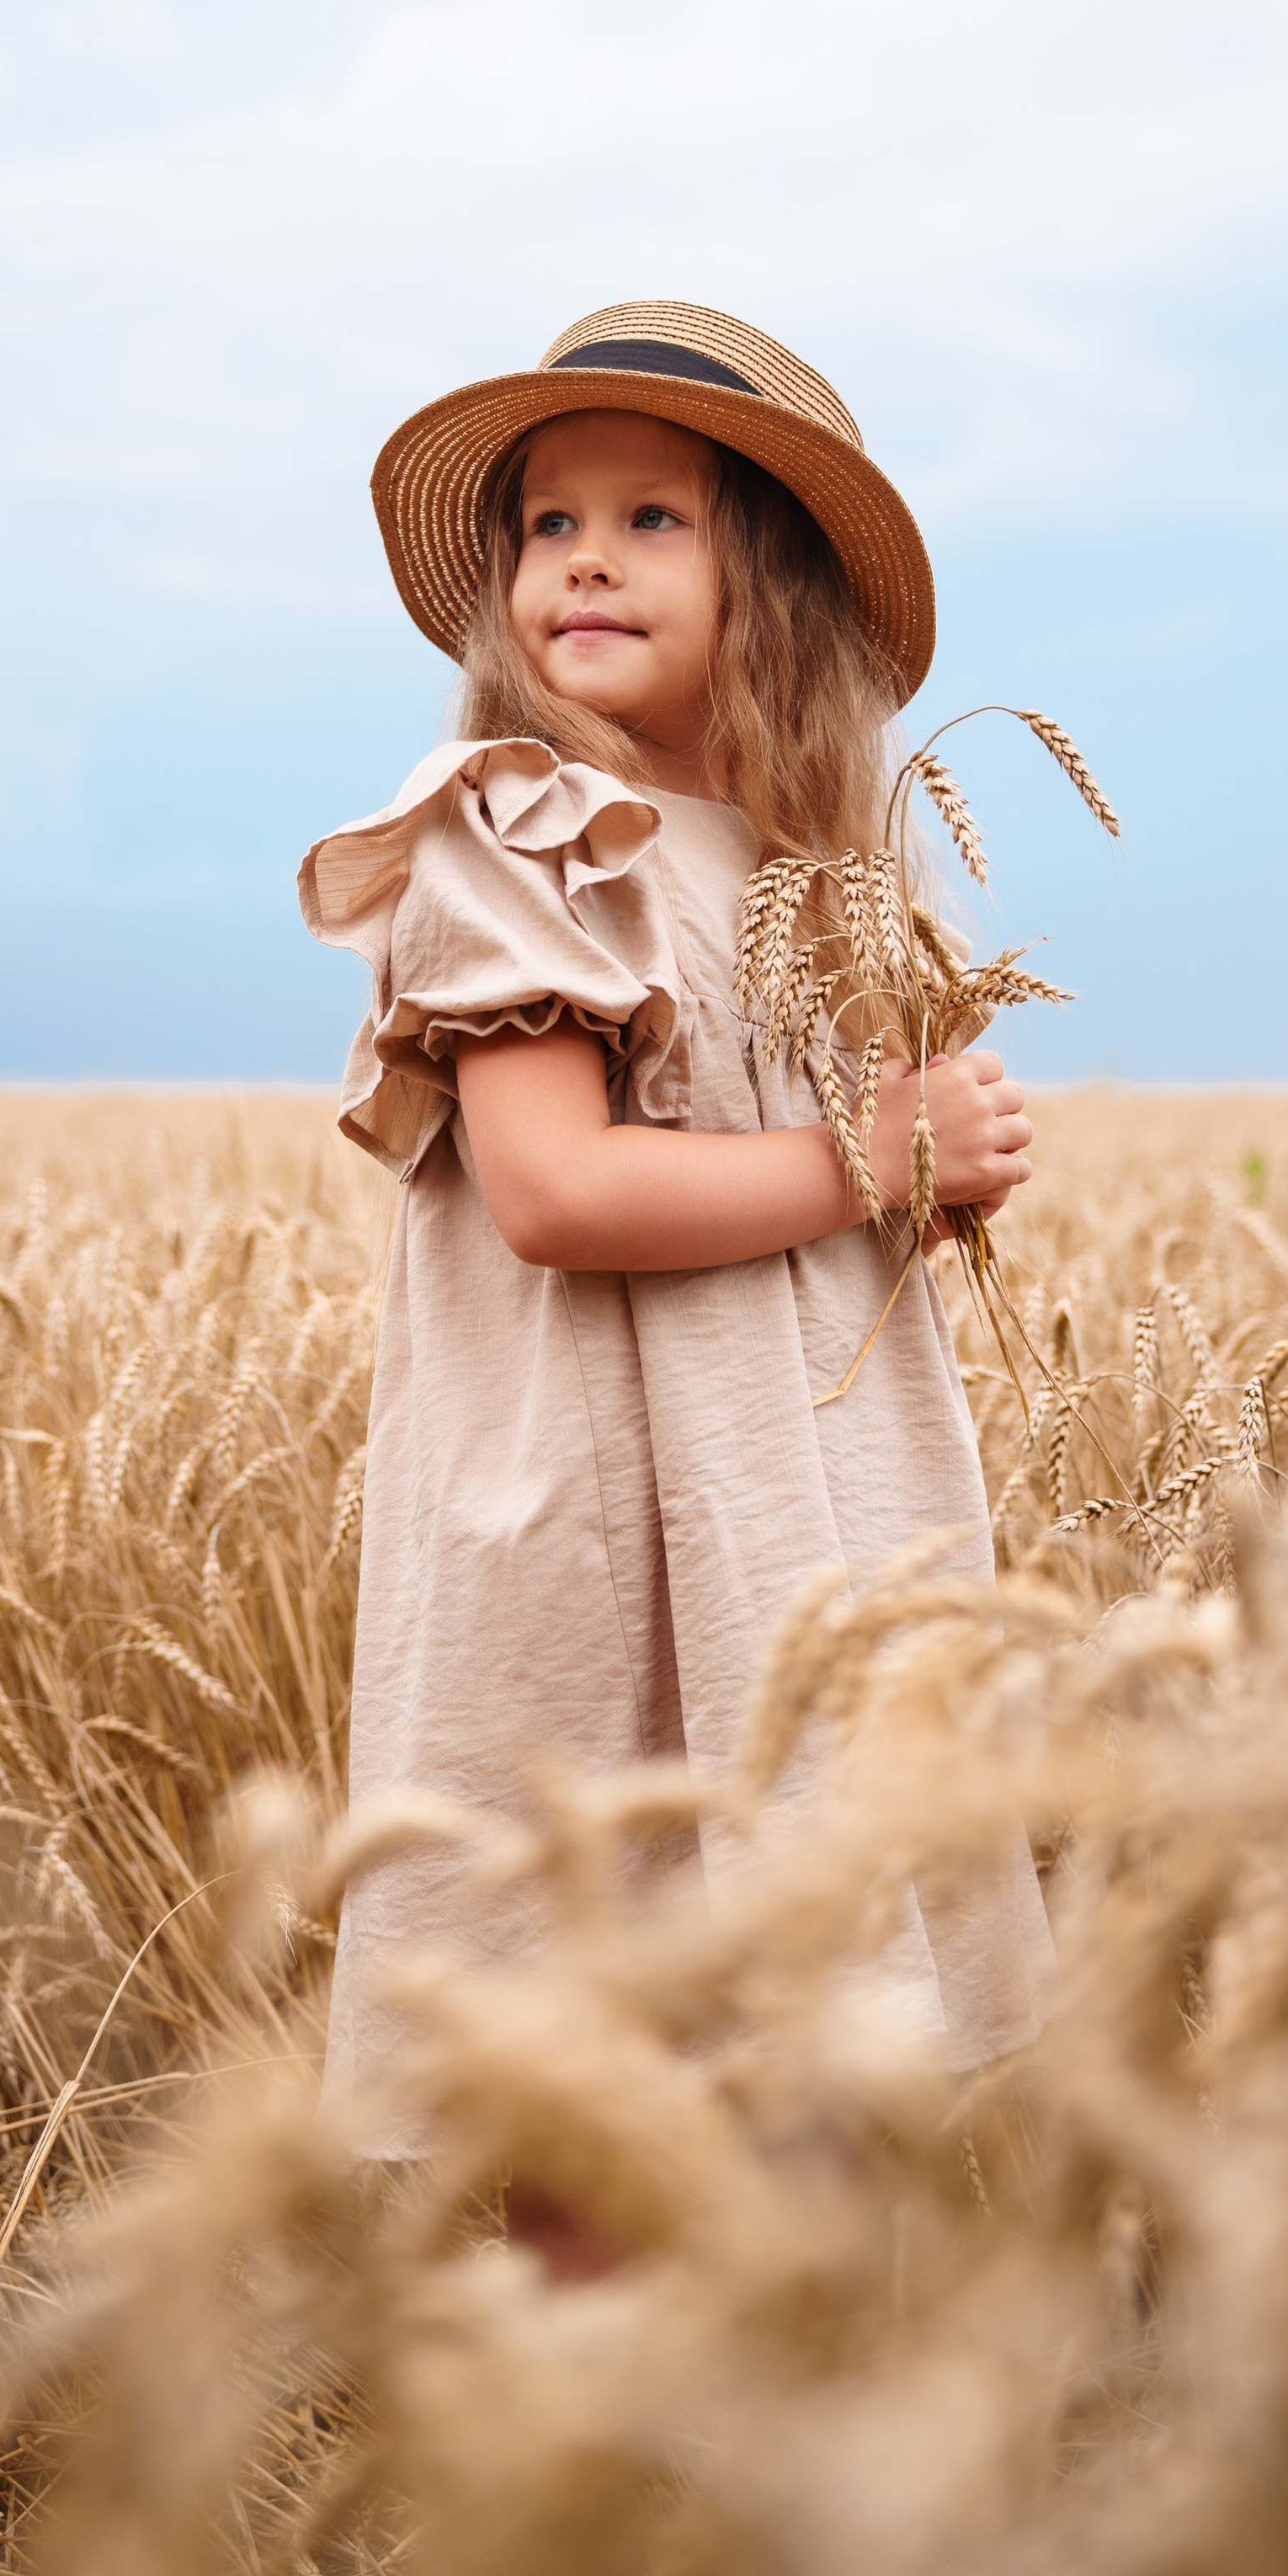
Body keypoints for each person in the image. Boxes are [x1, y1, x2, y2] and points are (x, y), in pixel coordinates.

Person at [298, 300, 1052, 2248]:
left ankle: (758, 2460)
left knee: (809, 2010)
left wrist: (937, 1165)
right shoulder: (516, 836)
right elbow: (549, 1189)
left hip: (794, 1515)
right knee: (585, 2009)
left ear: (767, 583)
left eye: (650, 521)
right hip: (592, 1522)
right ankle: (568, 2468)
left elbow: (844, 1198)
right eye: (547, 527)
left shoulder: (827, 884)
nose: (584, 565)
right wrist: (858, 1162)